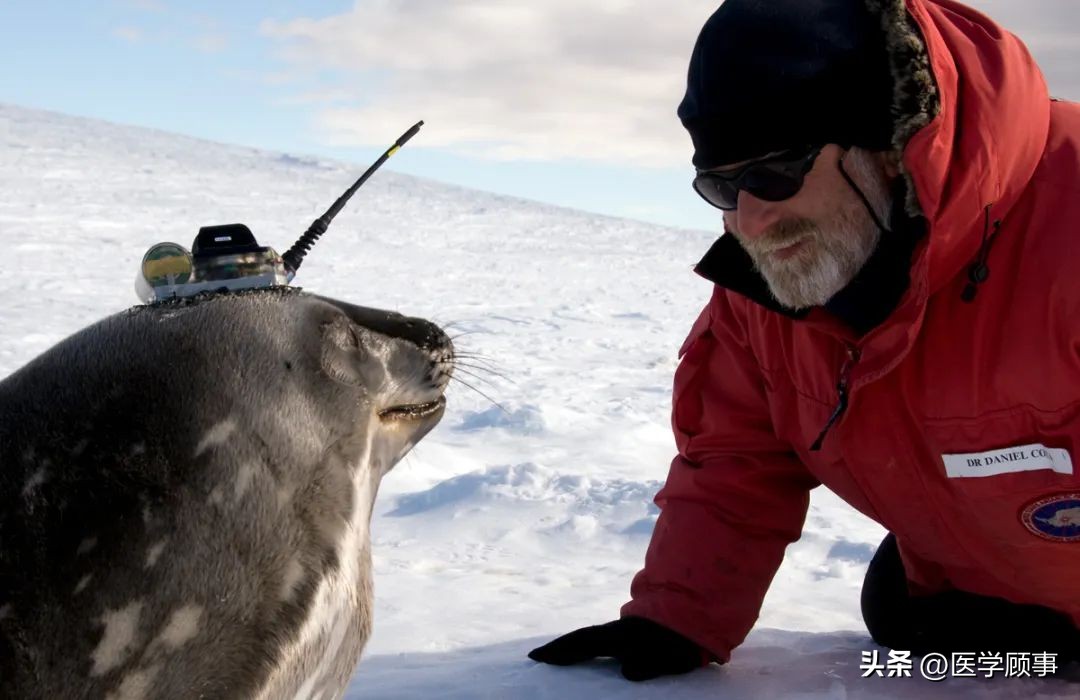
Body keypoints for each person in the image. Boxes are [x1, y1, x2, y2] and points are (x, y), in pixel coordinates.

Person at [529, 0, 1080, 682]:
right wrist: (677, 616)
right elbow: (737, 459)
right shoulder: (770, 284)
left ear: (889, 144)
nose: (752, 220)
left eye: (775, 172)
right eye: (722, 186)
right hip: (978, 590)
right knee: (896, 609)